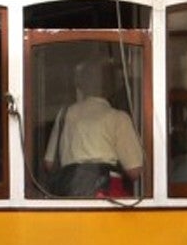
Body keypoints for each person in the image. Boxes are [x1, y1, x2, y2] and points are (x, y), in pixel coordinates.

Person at [41, 59, 143, 196]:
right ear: (112, 86)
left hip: (69, 192)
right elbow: (134, 171)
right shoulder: (118, 118)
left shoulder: (65, 114)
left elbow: (49, 163)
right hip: (106, 196)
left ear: (80, 85)